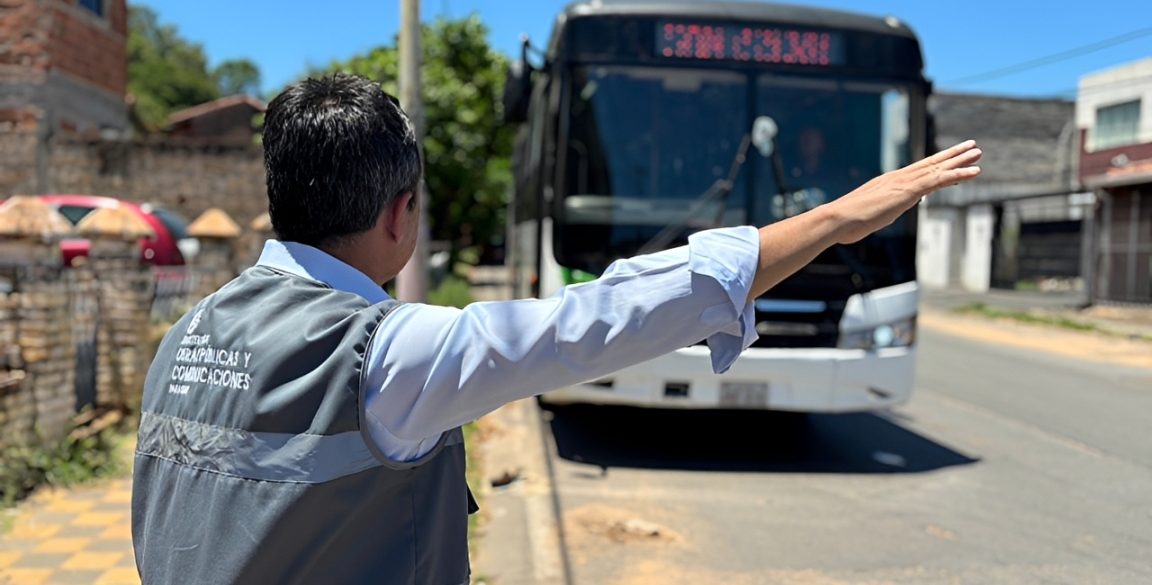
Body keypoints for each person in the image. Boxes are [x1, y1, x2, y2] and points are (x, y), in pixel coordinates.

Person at [131, 73, 981, 584]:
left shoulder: (188, 333)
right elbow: (602, 317)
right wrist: (833, 220)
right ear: (401, 212)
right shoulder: (385, 354)